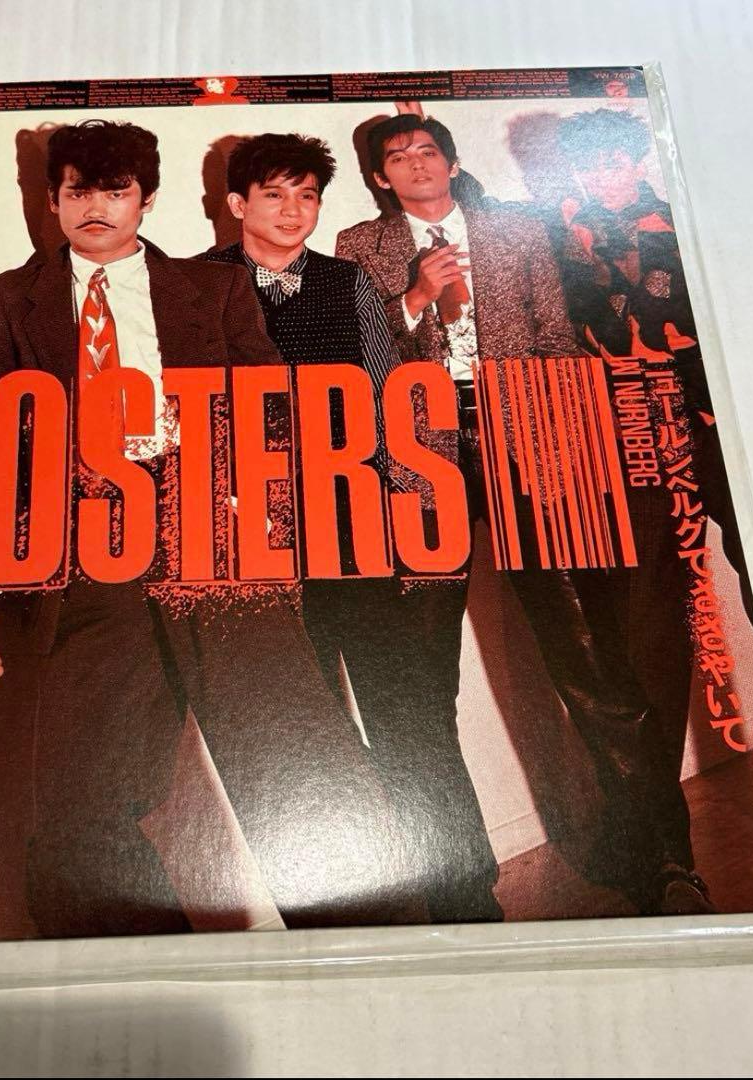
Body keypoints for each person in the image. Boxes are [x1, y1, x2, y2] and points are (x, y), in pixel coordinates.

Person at [0, 119, 409, 941]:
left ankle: (381, 958)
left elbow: (273, 414)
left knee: (298, 771)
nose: (95, 207)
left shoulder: (212, 289)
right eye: (77, 190)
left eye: (115, 190)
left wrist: (253, 513)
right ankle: (144, 980)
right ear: (52, 200)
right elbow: (2, 439)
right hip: (91, 552)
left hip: (213, 539)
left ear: (146, 200)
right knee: (80, 809)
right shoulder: (14, 297)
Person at [336, 112, 711, 916]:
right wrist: (414, 297)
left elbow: (557, 342)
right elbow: (361, 358)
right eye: (398, 158)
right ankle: (462, 891)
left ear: (451, 162)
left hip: (530, 440)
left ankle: (663, 859)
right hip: (422, 454)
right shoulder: (360, 246)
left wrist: (556, 444)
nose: (416, 165)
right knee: (421, 668)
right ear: (379, 178)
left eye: (428, 151)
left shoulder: (513, 228)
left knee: (589, 654)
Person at [200, 132, 502, 921]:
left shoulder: (346, 281)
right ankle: (368, 908)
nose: (292, 210)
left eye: (306, 196)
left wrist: (407, 510)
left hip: (360, 525)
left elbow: (384, 390)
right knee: (304, 733)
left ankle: (469, 898)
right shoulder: (199, 285)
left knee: (412, 716)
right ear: (236, 204)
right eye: (274, 194)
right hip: (263, 542)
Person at [546, 107, 753, 910]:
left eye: (617, 156)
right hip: (630, 446)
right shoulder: (558, 243)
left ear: (639, 157)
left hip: (720, 427)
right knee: (650, 636)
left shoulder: (688, 220)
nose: (607, 172)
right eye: (591, 160)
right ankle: (668, 855)